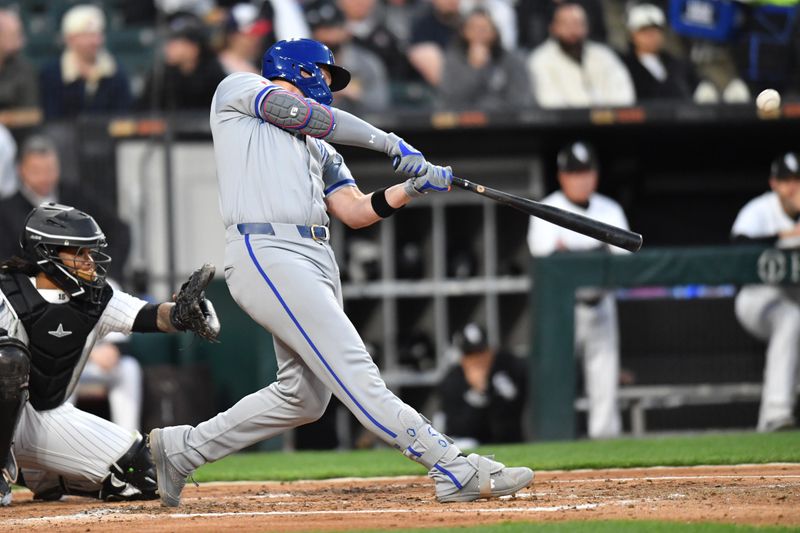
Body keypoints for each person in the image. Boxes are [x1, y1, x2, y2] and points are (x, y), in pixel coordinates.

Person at [148, 37, 533, 507]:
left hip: (315, 255)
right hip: (267, 249)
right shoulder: (242, 91)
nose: (330, 85)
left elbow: (353, 211)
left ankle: (181, 450)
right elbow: (308, 115)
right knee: (355, 371)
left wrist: (410, 188)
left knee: (303, 397)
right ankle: (452, 466)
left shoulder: (322, 150)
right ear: (302, 69)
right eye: (326, 75)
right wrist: (391, 142)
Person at [0, 202, 221, 505]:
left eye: (90, 252)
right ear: (47, 253)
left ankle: (42, 474)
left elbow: (151, 315)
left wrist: (183, 314)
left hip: (44, 418)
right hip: (7, 417)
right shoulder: (6, 292)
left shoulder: (96, 298)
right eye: (79, 253)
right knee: (7, 359)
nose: (90, 261)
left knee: (145, 474)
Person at [527, 141, 628, 439]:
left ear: (595, 175)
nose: (582, 179)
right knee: (557, 381)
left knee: (605, 381)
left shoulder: (610, 209)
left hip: (601, 303)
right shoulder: (547, 208)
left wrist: (571, 251)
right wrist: (597, 250)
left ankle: (606, 445)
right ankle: (556, 441)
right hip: (562, 309)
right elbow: (546, 255)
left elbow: (622, 258)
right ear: (562, 176)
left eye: (586, 172)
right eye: (574, 173)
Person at [730, 152, 800, 432]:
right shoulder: (759, 209)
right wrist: (788, 235)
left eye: (797, 180)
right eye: (786, 181)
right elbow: (738, 246)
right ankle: (776, 412)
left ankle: (776, 412)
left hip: (793, 295)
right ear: (774, 183)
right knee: (791, 319)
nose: (792, 187)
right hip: (758, 297)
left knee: (794, 319)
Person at [0, 135, 131, 280]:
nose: (45, 177)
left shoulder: (77, 197)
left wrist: (107, 273)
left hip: (87, 282)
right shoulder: (6, 212)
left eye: (50, 169)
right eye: (36, 171)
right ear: (21, 170)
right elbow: (7, 261)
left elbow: (119, 231)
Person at [526, 2, 635, 108]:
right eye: (565, 24)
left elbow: (623, 94)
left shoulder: (604, 55)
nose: (572, 30)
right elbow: (550, 103)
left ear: (586, 27)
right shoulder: (540, 59)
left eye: (578, 23)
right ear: (553, 28)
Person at [440, 323, 527, 446]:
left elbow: (513, 424)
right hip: (469, 445)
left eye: (481, 352)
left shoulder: (504, 369)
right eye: (470, 354)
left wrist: (509, 396)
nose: (478, 359)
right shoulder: (453, 381)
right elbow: (458, 429)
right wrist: (478, 393)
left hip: (504, 444)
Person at [39, 4, 132, 119]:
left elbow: (122, 117)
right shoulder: (52, 73)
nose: (95, 41)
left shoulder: (116, 72)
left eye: (98, 35)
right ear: (70, 39)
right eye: (87, 36)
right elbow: (51, 119)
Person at [437, 8, 532, 110]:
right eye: (473, 28)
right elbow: (450, 99)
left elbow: (520, 99)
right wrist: (475, 69)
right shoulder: (453, 60)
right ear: (464, 32)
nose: (479, 34)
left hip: (503, 121)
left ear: (494, 32)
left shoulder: (512, 60)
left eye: (484, 29)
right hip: (464, 121)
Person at [139, 15, 227, 111]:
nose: (168, 47)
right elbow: (144, 110)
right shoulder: (161, 75)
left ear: (194, 48)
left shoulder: (213, 73)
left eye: (175, 42)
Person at [621, 3, 700, 102]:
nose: (651, 35)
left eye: (656, 30)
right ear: (632, 35)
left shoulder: (676, 64)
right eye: (644, 30)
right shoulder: (623, 66)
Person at [73, 331, 143, 433]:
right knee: (61, 373)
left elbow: (121, 343)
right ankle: (57, 435)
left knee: (129, 366)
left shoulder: (107, 314)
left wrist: (113, 351)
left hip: (98, 367)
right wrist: (91, 353)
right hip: (71, 365)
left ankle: (128, 438)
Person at [0, 9, 39, 111]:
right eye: (14, 34)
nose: (21, 40)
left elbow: (30, 114)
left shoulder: (24, 69)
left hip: (15, 126)